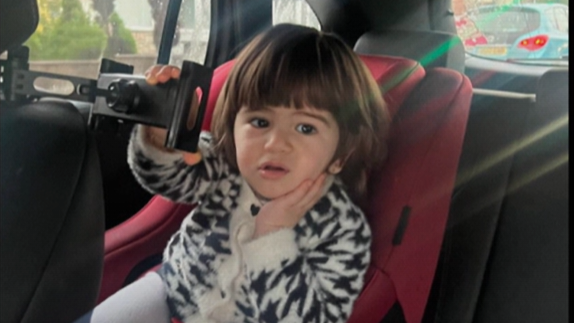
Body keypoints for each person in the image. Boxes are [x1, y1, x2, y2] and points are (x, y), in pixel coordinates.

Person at [77, 23, 390, 323]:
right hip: (176, 288)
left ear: (340, 156)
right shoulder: (226, 168)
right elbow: (164, 175)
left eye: (305, 127)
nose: (275, 143)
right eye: (260, 122)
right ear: (233, 126)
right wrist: (164, 134)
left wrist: (272, 237)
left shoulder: (339, 229)